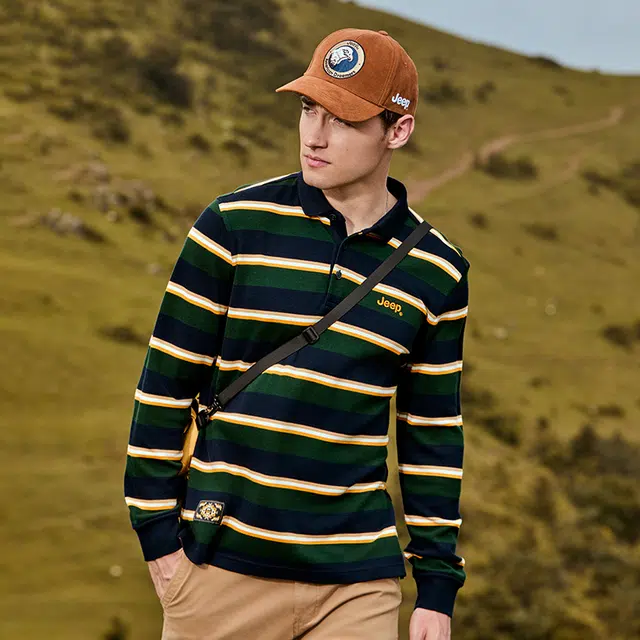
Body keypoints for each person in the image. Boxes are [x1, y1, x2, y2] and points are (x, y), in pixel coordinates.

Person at [124, 27, 469, 640]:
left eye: (343, 119)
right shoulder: (232, 226)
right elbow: (165, 385)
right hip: (220, 570)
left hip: (357, 583)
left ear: (398, 131)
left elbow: (431, 435)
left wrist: (436, 589)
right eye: (310, 108)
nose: (315, 134)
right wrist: (158, 541)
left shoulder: (437, 270)